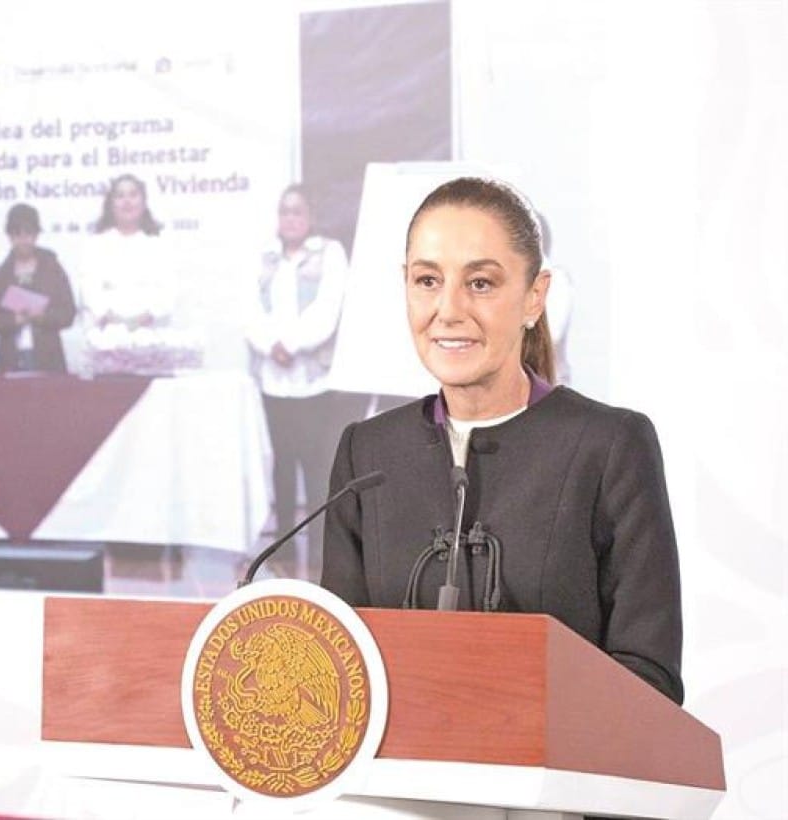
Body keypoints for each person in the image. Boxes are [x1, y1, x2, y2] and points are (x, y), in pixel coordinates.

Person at [320, 176, 683, 705]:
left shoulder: (610, 447)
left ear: (535, 297)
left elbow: (649, 676)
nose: (448, 309)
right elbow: (336, 668)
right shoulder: (367, 453)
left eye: (481, 283)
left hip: (560, 757)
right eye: (427, 280)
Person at [246, 184, 350, 574]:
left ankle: (322, 545)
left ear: (311, 217)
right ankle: (284, 545)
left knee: (316, 463)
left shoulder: (329, 253)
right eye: (284, 211)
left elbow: (328, 309)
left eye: (297, 212)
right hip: (273, 379)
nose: (290, 219)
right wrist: (269, 345)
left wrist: (291, 344)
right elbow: (250, 310)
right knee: (282, 462)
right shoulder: (265, 256)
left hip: (312, 381)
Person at [0, 203, 77, 373]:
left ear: (37, 234)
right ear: (9, 236)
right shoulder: (1, 274)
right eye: (17, 234)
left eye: (29, 233)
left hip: (48, 358)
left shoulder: (52, 269)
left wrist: (42, 317)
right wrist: (14, 320)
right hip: (10, 359)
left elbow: (68, 313)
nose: (23, 240)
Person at [80, 174, 171, 333]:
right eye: (120, 196)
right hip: (106, 332)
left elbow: (167, 291)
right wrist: (112, 320)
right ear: (111, 204)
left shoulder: (159, 243)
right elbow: (89, 290)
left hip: (150, 332)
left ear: (143, 202)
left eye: (133, 195)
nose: (127, 201)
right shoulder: (95, 244)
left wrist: (143, 319)